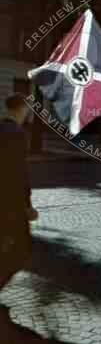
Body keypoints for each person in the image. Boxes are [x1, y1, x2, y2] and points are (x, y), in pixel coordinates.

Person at [0, 94, 38, 295]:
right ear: (21, 109)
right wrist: (27, 205)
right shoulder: (17, 133)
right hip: (10, 202)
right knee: (22, 248)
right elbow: (19, 173)